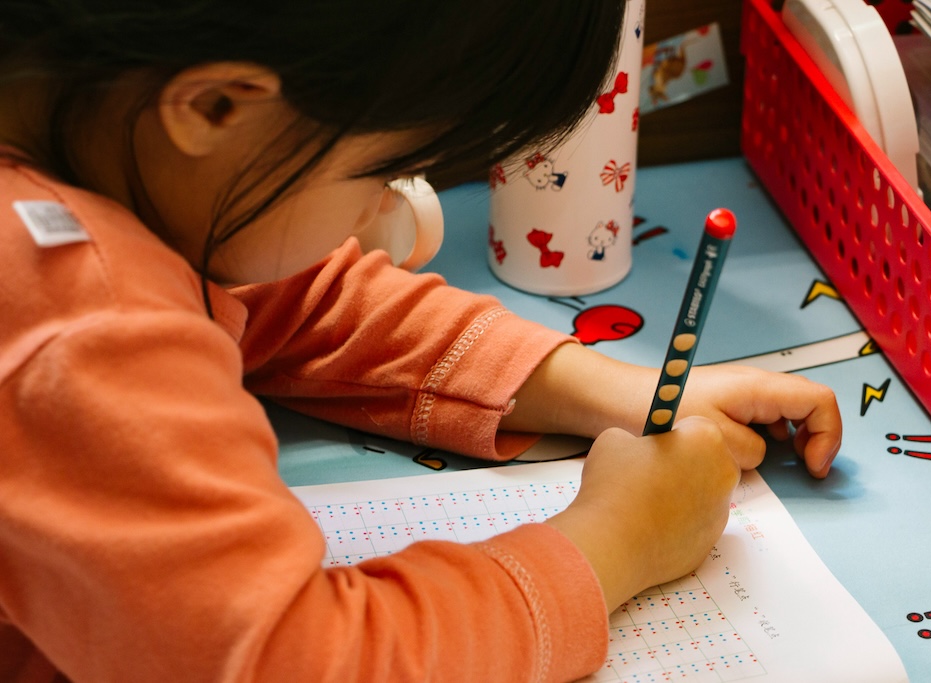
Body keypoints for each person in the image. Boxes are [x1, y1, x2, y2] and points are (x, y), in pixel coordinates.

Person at [0, 2, 842, 681]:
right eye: (380, 173)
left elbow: (287, 294)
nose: (385, 217)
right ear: (217, 104)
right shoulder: (81, 321)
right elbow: (297, 661)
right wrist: (617, 537)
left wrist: (607, 390)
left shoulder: (91, 138)